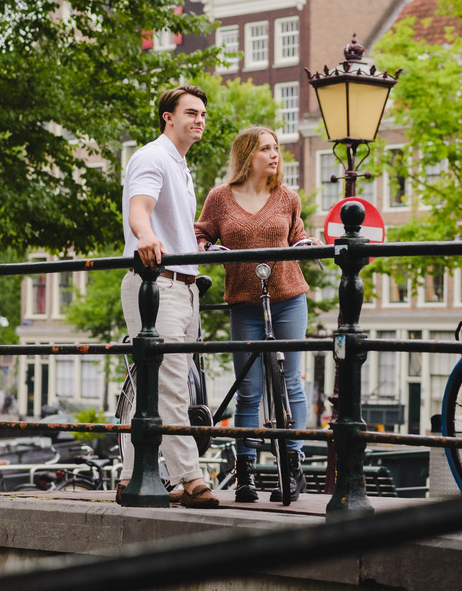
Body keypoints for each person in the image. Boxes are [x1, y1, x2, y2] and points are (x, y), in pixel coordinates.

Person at [195, 126, 317, 503]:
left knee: (290, 382)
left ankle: (292, 466)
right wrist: (208, 249)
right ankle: (244, 471)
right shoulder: (220, 198)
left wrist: (306, 244)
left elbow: (297, 236)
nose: (275, 154)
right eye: (266, 148)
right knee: (248, 391)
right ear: (248, 155)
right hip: (245, 303)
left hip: (288, 299)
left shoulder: (287, 197)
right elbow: (200, 233)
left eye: (276, 148)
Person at [117, 85, 218, 508]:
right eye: (191, 113)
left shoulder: (180, 166)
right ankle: (190, 478)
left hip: (183, 285)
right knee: (173, 383)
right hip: (158, 284)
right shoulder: (153, 157)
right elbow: (139, 207)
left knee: (149, 385)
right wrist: (146, 237)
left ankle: (127, 476)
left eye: (202, 115)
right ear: (167, 117)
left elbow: (166, 216)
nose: (199, 120)